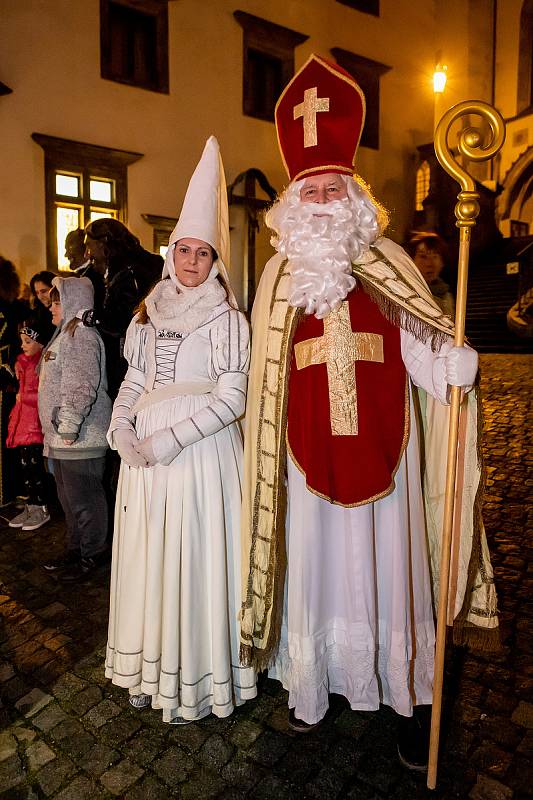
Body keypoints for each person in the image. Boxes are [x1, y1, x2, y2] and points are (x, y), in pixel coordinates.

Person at [239, 55, 498, 769]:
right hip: (303, 462)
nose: (322, 200)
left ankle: (410, 696)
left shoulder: (388, 261)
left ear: (353, 194)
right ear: (293, 203)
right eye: (310, 190)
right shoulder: (275, 277)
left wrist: (455, 366)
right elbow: (264, 382)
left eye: (332, 187)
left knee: (392, 574)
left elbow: (422, 347)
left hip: (391, 460)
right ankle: (312, 687)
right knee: (316, 573)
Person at [105, 136, 256, 724]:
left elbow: (232, 399)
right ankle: (148, 665)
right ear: (169, 253)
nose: (191, 262)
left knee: (193, 559)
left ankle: (195, 671)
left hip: (198, 460)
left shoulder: (227, 319)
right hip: (144, 463)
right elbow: (134, 380)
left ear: (215, 260)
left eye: (202, 253)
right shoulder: (147, 312)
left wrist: (168, 441)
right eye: (183, 250)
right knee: (148, 557)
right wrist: (122, 430)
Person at [39, 277, 111, 582]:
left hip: (79, 438)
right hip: (63, 439)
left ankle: (93, 554)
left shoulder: (80, 337)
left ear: (72, 302)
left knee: (85, 502)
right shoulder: (64, 334)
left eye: (56, 301)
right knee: (70, 502)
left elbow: (81, 386)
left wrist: (68, 428)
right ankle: (76, 548)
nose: (51, 307)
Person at [84, 218, 162, 399]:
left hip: (133, 360)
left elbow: (121, 320)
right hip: (143, 355)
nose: (88, 254)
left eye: (90, 246)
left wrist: (91, 316)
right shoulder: (139, 264)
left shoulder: (128, 271)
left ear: (104, 242)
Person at [6, 317, 50, 531]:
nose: (23, 346)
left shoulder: (42, 364)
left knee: (35, 468)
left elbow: (42, 395)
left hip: (36, 424)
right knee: (25, 467)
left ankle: (41, 506)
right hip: (24, 423)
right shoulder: (22, 362)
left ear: (40, 343)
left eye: (28, 341)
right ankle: (30, 504)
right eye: (22, 341)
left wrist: (24, 398)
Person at [0, 257, 29, 506]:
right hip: (11, 379)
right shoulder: (18, 307)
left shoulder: (14, 308)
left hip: (8, 380)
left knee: (7, 438)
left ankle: (6, 492)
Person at [406, 231, 455, 317]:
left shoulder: (447, 297)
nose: (430, 264)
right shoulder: (406, 292)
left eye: (435, 257)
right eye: (423, 256)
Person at [29, 270, 56, 345]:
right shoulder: (36, 312)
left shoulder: (64, 311)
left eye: (44, 291)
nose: (40, 297)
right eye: (37, 292)